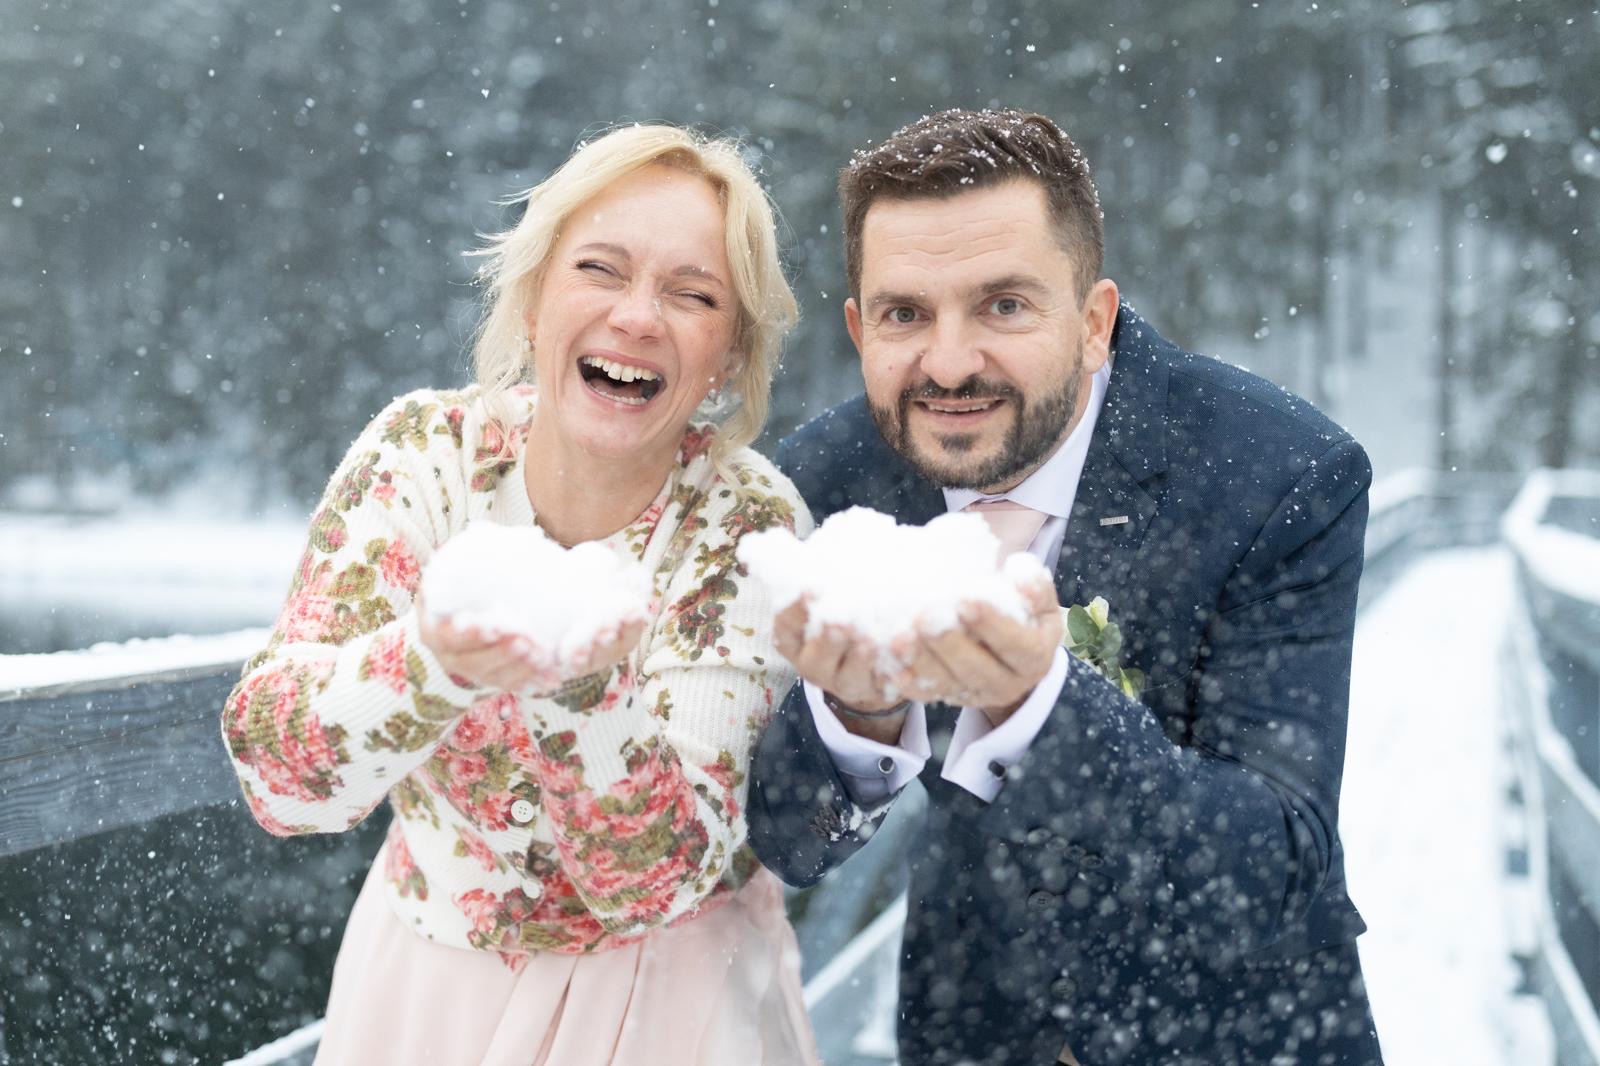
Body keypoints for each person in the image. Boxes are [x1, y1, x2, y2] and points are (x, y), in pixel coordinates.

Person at [745, 109, 1383, 1065]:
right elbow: (791, 844)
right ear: (856, 325)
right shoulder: (824, 480)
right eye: (905, 313)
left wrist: (1039, 704)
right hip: (973, 1026)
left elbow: (1280, 864)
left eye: (1004, 306)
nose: (950, 363)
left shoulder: (1279, 478)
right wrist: (858, 719)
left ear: (1093, 322)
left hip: (1238, 1037)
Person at [221, 124, 820, 1066]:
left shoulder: (747, 522)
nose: (636, 316)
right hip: (421, 1000)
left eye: (692, 294)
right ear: (535, 297)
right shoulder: (422, 453)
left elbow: (652, 881)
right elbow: (281, 784)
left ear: (730, 355)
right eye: (601, 269)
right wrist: (435, 663)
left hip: (671, 1004)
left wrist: (579, 685)